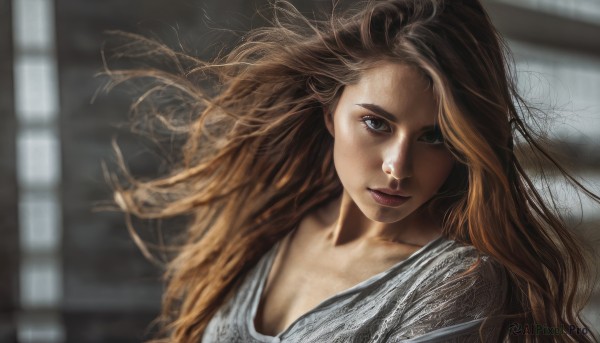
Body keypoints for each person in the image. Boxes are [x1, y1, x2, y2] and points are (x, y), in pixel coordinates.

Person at [105, 0, 599, 341]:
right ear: (330, 113)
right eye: (376, 123)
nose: (397, 167)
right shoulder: (273, 219)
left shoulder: (457, 281)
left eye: (435, 137)